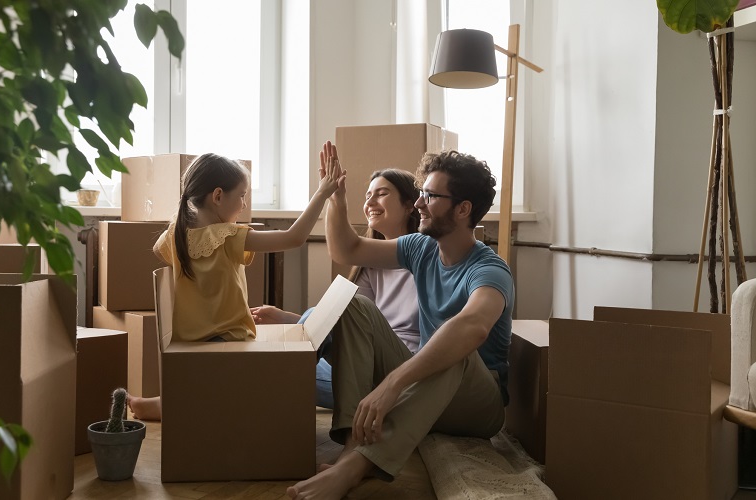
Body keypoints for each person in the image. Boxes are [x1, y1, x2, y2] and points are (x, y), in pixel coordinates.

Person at [287, 142, 514, 500]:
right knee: (351, 304)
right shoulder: (420, 248)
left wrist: (393, 382)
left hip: (477, 405)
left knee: (453, 347)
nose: (419, 203)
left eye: (431, 196)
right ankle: (352, 442)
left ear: (463, 209)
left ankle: (355, 467)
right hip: (429, 391)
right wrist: (336, 198)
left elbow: (473, 325)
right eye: (421, 193)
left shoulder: (489, 269)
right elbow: (346, 250)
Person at [127, 151, 343, 420]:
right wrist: (322, 193)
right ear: (217, 196)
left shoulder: (175, 234)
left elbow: (163, 253)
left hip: (190, 347)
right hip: (230, 343)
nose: (243, 204)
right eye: (241, 195)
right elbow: (295, 237)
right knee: (304, 355)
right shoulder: (226, 236)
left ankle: (166, 402)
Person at [250, 168, 422, 408]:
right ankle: (274, 381)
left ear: (410, 205)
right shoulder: (371, 264)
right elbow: (346, 321)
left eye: (381, 194)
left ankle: (274, 386)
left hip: (403, 370)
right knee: (282, 371)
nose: (370, 202)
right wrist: (289, 319)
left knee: (287, 374)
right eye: (367, 196)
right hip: (366, 362)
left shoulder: (427, 256)